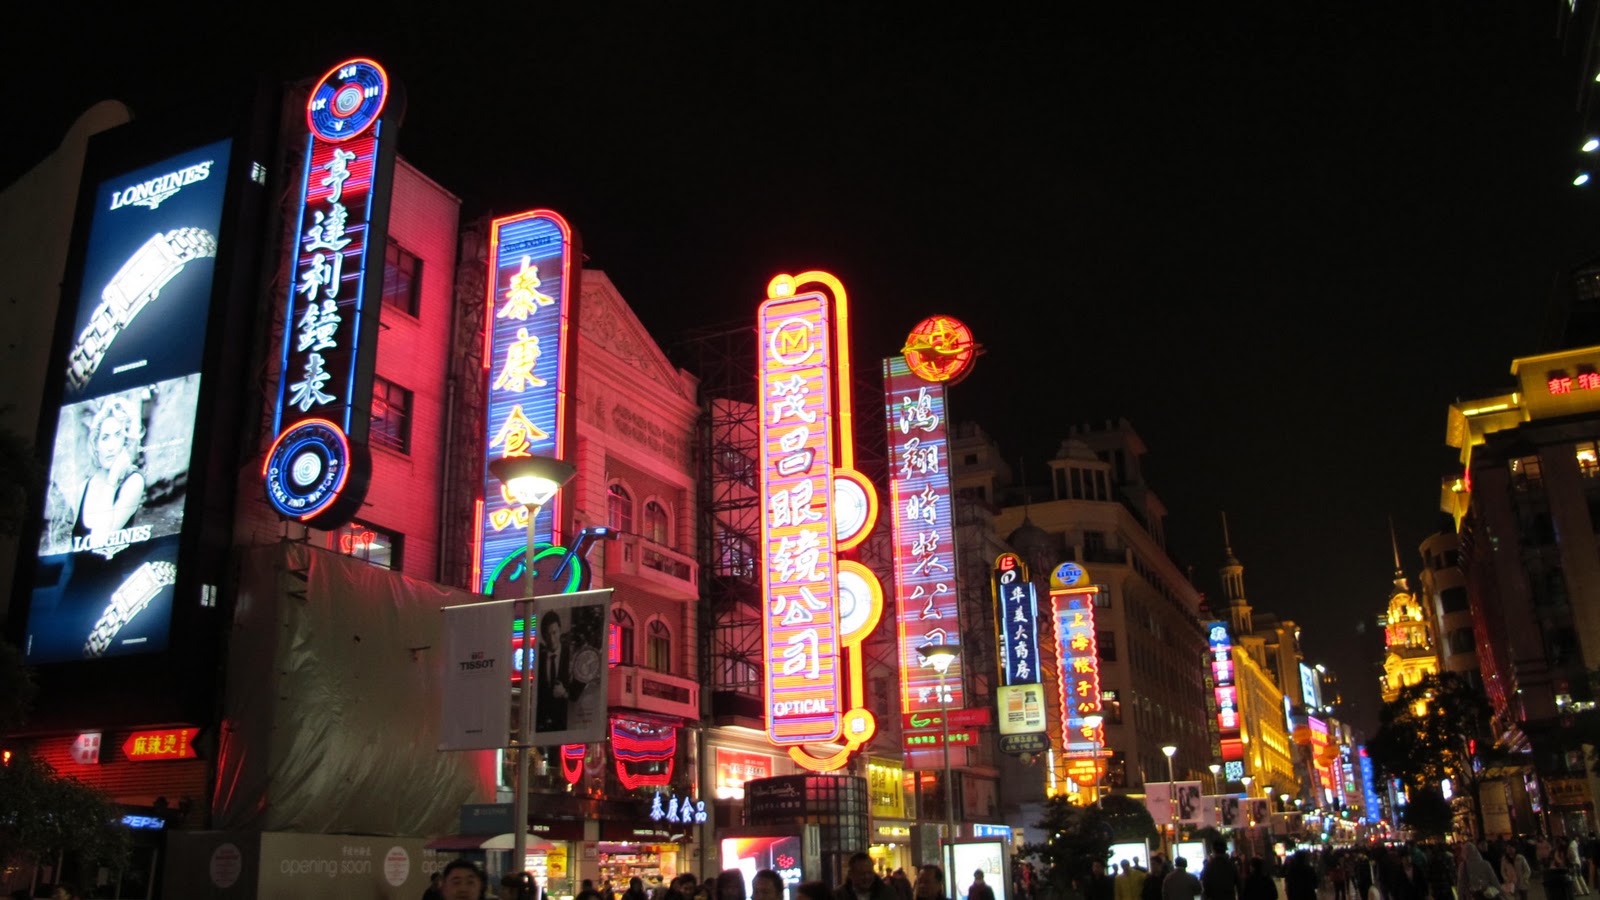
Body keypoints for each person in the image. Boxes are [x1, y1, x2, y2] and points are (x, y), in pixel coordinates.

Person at [75, 396, 147, 541]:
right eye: (105, 437)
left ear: (126, 442)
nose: (111, 446)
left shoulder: (134, 482)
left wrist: (112, 481)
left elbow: (99, 539)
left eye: (118, 435)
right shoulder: (84, 486)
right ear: (96, 445)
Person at [535, 610, 584, 733]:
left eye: (554, 632)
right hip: (543, 726)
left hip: (566, 725)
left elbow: (578, 690)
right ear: (543, 636)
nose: (551, 639)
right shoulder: (539, 659)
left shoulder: (571, 655)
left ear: (560, 630)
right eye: (547, 634)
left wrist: (564, 693)